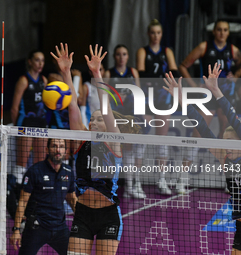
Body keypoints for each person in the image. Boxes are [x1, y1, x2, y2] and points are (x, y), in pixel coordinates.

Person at [51, 43, 140, 254]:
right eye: (92, 118)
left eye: (100, 119)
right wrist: (66, 72)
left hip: (108, 215)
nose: (94, 121)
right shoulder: (81, 141)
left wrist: (96, 73)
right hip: (82, 213)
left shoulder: (113, 142)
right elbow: (73, 105)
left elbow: (106, 107)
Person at [163, 63, 241, 255]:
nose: (226, 146)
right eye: (224, 141)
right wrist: (181, 101)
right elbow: (202, 127)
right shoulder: (225, 158)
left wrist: (216, 91)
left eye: (230, 142)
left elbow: (231, 117)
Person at [136, 19, 181, 195]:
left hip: (163, 98)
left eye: (159, 33)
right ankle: (136, 181)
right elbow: (142, 74)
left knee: (162, 140)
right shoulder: (143, 51)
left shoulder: (167, 51)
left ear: (162, 34)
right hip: (147, 98)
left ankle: (161, 179)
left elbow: (175, 72)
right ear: (149, 34)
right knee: (143, 138)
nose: (156, 36)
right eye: (153, 32)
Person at [10, 138, 77, 255]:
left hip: (60, 228)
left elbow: (72, 198)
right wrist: (16, 230)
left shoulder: (68, 172)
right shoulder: (35, 171)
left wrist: (83, 222)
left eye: (61, 147)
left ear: (66, 151)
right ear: (47, 149)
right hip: (36, 228)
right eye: (54, 146)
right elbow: (22, 201)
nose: (58, 150)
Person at [179, 19, 241, 139]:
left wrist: (236, 76)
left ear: (228, 33)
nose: (222, 33)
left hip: (226, 93)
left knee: (226, 131)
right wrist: (194, 85)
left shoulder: (233, 49)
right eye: (219, 30)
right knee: (199, 130)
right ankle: (189, 157)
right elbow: (183, 66)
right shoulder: (204, 47)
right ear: (213, 31)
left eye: (225, 30)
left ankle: (223, 158)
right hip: (208, 94)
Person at [104, 44, 145, 199]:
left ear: (128, 57)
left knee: (139, 149)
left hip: (133, 115)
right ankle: (128, 186)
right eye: (119, 54)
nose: (121, 57)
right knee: (125, 150)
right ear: (115, 57)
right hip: (118, 117)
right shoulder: (109, 73)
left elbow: (139, 94)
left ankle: (137, 183)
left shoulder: (133, 72)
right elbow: (105, 98)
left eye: (124, 54)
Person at [11, 50, 47, 186]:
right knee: (22, 162)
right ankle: (17, 189)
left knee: (40, 161)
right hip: (25, 124)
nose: (40, 63)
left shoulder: (44, 80)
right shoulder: (23, 80)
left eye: (42, 60)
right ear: (30, 62)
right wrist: (16, 128)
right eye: (37, 60)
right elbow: (14, 108)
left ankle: (37, 189)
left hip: (41, 124)